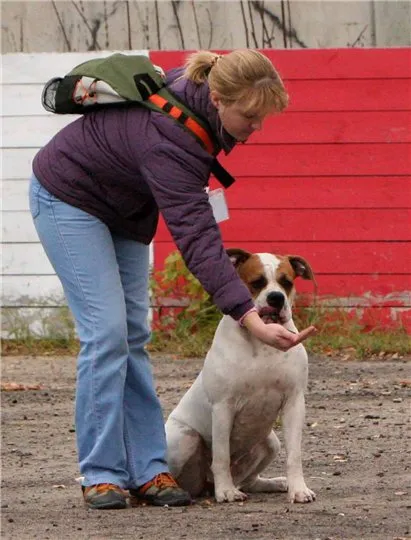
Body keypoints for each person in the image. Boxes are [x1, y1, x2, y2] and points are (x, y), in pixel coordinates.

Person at [29, 49, 316, 510]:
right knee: (106, 334)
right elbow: (198, 238)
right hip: (69, 198)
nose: (256, 127)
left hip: (122, 207)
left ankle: (149, 468)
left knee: (134, 335)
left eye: (263, 118)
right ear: (219, 99)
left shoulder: (203, 107)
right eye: (250, 116)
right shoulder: (171, 138)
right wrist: (248, 315)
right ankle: (102, 473)